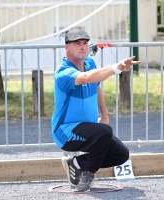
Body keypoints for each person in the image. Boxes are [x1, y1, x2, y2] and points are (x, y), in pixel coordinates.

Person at [51, 29, 141, 192]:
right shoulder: (63, 73)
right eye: (77, 43)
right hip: (65, 131)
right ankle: (88, 175)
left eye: (85, 43)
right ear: (67, 47)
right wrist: (116, 67)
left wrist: (104, 114)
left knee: (121, 154)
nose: (83, 47)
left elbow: (96, 85)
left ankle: (76, 164)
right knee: (104, 132)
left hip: (91, 129)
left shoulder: (90, 64)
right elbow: (86, 78)